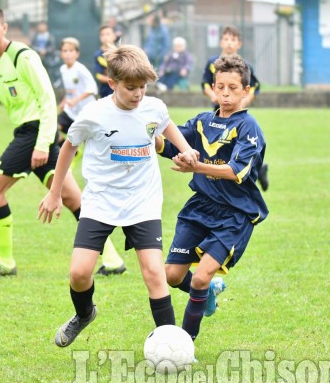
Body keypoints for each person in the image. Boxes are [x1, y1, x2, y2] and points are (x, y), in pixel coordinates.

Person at [38, 44, 200, 348]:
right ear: (112, 84)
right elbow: (68, 148)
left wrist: (186, 149)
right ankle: (84, 314)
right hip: (101, 201)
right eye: (130, 88)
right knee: (79, 272)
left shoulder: (153, 107)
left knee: (154, 272)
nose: (138, 94)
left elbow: (167, 127)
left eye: (142, 87)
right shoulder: (94, 114)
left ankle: (172, 345)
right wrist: (54, 193)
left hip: (143, 200)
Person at [0, 4, 123, 278]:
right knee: (74, 199)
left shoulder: (23, 56)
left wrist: (42, 142)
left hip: (35, 133)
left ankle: (5, 261)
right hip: (28, 134)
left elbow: (47, 99)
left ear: (4, 28)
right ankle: (112, 258)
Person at [156, 54, 268, 345]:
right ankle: (208, 292)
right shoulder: (203, 122)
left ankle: (185, 344)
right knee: (171, 274)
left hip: (234, 214)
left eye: (233, 88)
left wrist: (196, 167)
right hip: (200, 207)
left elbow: (235, 170)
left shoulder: (248, 128)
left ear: (246, 91)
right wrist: (145, 133)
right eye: (221, 87)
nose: (226, 93)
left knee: (202, 275)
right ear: (213, 89)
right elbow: (170, 144)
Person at [57, 36, 126, 276]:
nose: (66, 54)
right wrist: (65, 102)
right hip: (70, 112)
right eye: (63, 50)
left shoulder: (81, 70)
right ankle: (67, 165)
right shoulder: (63, 71)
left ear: (76, 53)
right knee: (59, 139)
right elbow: (69, 92)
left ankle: (70, 166)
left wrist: (75, 100)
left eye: (70, 50)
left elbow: (91, 90)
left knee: (75, 144)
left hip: (84, 114)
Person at [201, 25, 269, 191]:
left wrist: (245, 101)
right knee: (220, 145)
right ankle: (230, 177)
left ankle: (252, 168)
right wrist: (212, 95)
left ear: (239, 44)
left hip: (237, 113)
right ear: (220, 42)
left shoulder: (244, 66)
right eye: (226, 39)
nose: (229, 43)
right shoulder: (212, 63)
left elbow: (254, 86)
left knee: (238, 143)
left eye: (233, 40)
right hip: (218, 112)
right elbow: (204, 84)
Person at [93, 25, 117, 99]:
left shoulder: (121, 53)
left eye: (108, 34)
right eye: (102, 35)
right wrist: (115, 81)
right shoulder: (98, 55)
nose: (105, 37)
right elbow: (99, 76)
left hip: (120, 92)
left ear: (114, 36)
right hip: (105, 93)